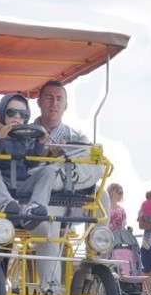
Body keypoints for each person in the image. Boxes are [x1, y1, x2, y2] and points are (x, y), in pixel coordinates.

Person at [0, 92, 64, 294]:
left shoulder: (28, 136)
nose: (16, 116)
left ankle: (36, 206)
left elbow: (33, 163)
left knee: (49, 169)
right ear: (3, 114)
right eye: (11, 112)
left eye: (21, 113)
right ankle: (6, 204)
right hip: (3, 184)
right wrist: (0, 137)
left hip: (23, 185)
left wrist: (41, 143)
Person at [35, 79, 111, 223]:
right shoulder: (27, 133)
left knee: (102, 196)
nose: (54, 103)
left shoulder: (77, 136)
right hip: (38, 193)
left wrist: (65, 154)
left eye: (59, 99)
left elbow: (89, 160)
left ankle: (99, 241)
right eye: (49, 97)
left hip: (72, 190)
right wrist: (45, 154)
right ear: (39, 102)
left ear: (66, 105)